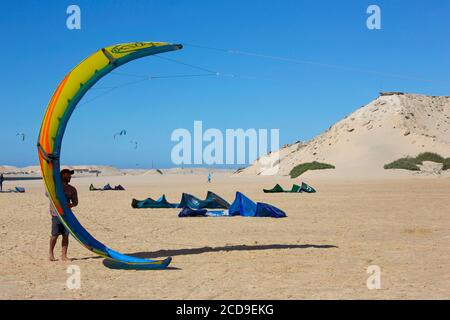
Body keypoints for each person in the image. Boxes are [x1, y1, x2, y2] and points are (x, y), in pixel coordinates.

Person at [48, 169, 78, 261]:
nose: (70, 177)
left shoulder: (72, 189)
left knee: (66, 235)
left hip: (67, 215)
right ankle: (51, 253)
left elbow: (76, 202)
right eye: (68, 175)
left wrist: (71, 204)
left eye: (70, 175)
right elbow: (47, 193)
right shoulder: (55, 187)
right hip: (56, 214)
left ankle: (64, 255)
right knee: (55, 235)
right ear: (62, 175)